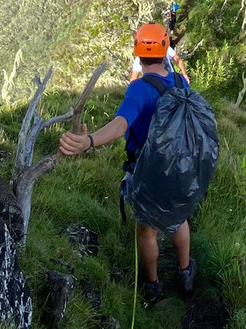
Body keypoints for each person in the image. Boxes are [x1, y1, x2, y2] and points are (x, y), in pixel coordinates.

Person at [60, 22, 197, 304]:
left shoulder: (138, 90)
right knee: (179, 219)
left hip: (147, 171)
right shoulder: (180, 82)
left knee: (147, 230)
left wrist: (88, 141)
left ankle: (153, 285)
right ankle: (185, 274)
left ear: (137, 51)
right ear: (165, 49)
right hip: (178, 166)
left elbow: (121, 125)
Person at [129, 17, 188, 82]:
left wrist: (135, 86)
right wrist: (184, 75)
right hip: (172, 82)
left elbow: (133, 79)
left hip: (150, 85)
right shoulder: (179, 81)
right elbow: (178, 60)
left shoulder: (140, 56)